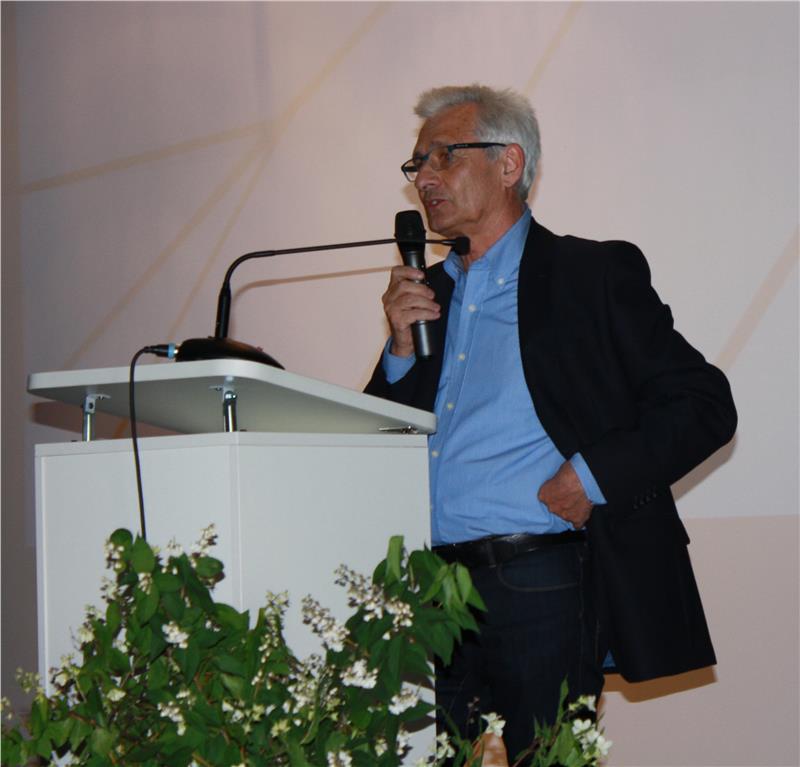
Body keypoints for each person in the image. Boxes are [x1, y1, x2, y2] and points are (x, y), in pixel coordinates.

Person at [365, 84, 736, 760]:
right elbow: (379, 439)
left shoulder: (587, 274)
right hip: (429, 590)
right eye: (417, 164)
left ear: (509, 163)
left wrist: (592, 477)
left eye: (444, 156)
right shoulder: (425, 296)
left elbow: (703, 402)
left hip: (538, 579)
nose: (425, 178)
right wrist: (397, 353)